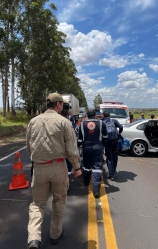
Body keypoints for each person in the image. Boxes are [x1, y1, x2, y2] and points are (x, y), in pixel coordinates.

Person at [26, 93, 82, 249]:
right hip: (58, 167)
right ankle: (55, 235)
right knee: (59, 202)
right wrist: (76, 167)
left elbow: (29, 147)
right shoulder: (64, 122)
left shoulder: (33, 121)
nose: (63, 106)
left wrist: (37, 161)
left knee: (37, 204)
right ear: (58, 105)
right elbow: (72, 149)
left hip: (39, 168)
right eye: (62, 104)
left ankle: (33, 238)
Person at [78, 109, 108, 199]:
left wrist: (79, 147)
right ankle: (96, 190)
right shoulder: (101, 123)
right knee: (97, 168)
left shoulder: (82, 124)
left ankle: (86, 181)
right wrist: (103, 145)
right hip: (97, 147)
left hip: (86, 148)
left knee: (86, 166)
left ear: (87, 115)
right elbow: (105, 136)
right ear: (95, 115)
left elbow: (80, 138)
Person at [103, 111, 123, 181]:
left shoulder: (103, 122)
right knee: (115, 155)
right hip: (115, 140)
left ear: (103, 116)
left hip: (107, 141)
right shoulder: (114, 121)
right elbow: (121, 127)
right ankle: (113, 171)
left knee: (109, 157)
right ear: (110, 115)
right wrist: (119, 133)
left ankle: (111, 175)